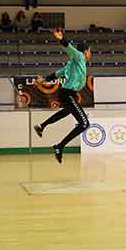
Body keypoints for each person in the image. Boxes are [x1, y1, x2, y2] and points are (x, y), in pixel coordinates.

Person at [33, 29, 92, 163]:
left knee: (66, 111)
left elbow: (58, 73)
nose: (90, 54)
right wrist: (61, 39)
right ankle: (59, 146)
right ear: (86, 51)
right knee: (84, 123)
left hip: (68, 94)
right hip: (68, 94)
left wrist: (44, 80)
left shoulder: (73, 64)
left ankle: (42, 126)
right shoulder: (79, 57)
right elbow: (70, 49)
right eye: (90, 51)